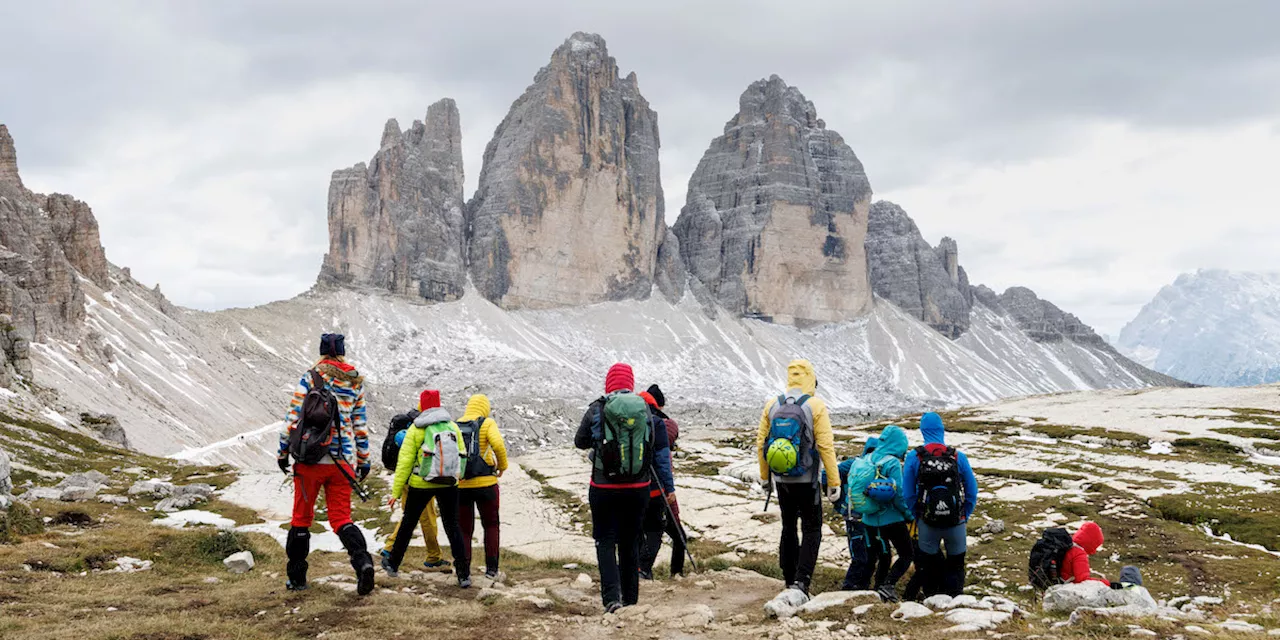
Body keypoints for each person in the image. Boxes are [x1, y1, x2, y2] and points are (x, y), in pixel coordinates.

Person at [276, 333, 375, 595]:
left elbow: (293, 418)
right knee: (342, 518)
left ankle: (297, 579)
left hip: (310, 459)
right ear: (342, 352)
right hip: (343, 462)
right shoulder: (355, 382)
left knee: (301, 518)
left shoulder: (310, 377)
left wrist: (282, 452)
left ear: (322, 352)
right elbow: (360, 426)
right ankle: (363, 563)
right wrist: (363, 461)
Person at [574, 364, 674, 613]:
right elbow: (655, 449)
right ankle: (631, 599)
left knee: (605, 540)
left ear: (609, 383)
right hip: (638, 488)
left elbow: (579, 441)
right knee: (630, 542)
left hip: (603, 487)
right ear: (631, 382)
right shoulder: (645, 411)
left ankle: (611, 599)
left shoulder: (597, 408)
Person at [756, 359, 841, 597]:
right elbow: (825, 445)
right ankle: (802, 582)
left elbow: (761, 443)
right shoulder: (815, 406)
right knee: (812, 529)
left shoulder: (773, 404)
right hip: (807, 480)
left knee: (788, 526)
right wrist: (834, 482)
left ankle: (788, 577)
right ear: (811, 378)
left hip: (782, 480)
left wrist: (765, 477)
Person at [385, 391, 472, 587]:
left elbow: (404, 463)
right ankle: (464, 574)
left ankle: (393, 564)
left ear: (422, 406)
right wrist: (459, 478)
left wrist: (396, 492)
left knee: (408, 523)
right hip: (449, 484)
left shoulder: (417, 429)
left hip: (421, 483)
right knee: (453, 526)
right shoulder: (452, 426)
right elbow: (462, 454)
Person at [902, 412, 979, 597]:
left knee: (928, 565)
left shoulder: (915, 457)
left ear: (923, 431)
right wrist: (964, 514)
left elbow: (908, 493)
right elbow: (972, 491)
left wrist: (918, 515)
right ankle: (955, 603)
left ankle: (932, 601)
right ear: (941, 430)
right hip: (955, 522)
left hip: (927, 522)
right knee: (956, 565)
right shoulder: (957, 456)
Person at [379, 391, 451, 573]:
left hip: (405, 479)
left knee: (409, 516)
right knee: (427, 518)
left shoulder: (411, 420)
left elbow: (403, 460)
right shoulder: (425, 425)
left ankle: (389, 548)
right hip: (419, 479)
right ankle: (433, 557)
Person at [456, 393, 508, 580]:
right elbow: (499, 446)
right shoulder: (487, 423)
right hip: (486, 483)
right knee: (491, 525)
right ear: (485, 408)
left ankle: (464, 573)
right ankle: (491, 569)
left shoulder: (456, 424)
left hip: (462, 485)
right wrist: (502, 466)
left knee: (464, 529)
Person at [638, 384, 685, 579]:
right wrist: (670, 490)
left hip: (633, 488)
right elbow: (663, 463)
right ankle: (669, 573)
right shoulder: (664, 425)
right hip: (658, 491)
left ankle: (636, 569)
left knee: (640, 532)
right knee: (667, 534)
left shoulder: (632, 423)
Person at [862, 426, 913, 602]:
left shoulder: (867, 459)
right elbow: (898, 494)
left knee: (882, 555)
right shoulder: (892, 463)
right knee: (906, 554)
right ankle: (888, 585)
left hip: (868, 519)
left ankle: (874, 589)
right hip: (891, 519)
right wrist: (908, 514)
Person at [838, 436, 878, 591]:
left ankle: (858, 586)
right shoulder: (879, 465)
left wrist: (838, 500)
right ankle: (851, 587)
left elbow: (827, 475)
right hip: (867, 516)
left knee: (861, 555)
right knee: (867, 555)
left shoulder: (854, 463)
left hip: (853, 515)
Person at [1061, 521, 1144, 588]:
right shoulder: (1079, 553)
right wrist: (1107, 584)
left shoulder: (1071, 547)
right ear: (1090, 541)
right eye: (1095, 545)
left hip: (1062, 583)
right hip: (1066, 587)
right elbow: (1083, 580)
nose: (1094, 550)